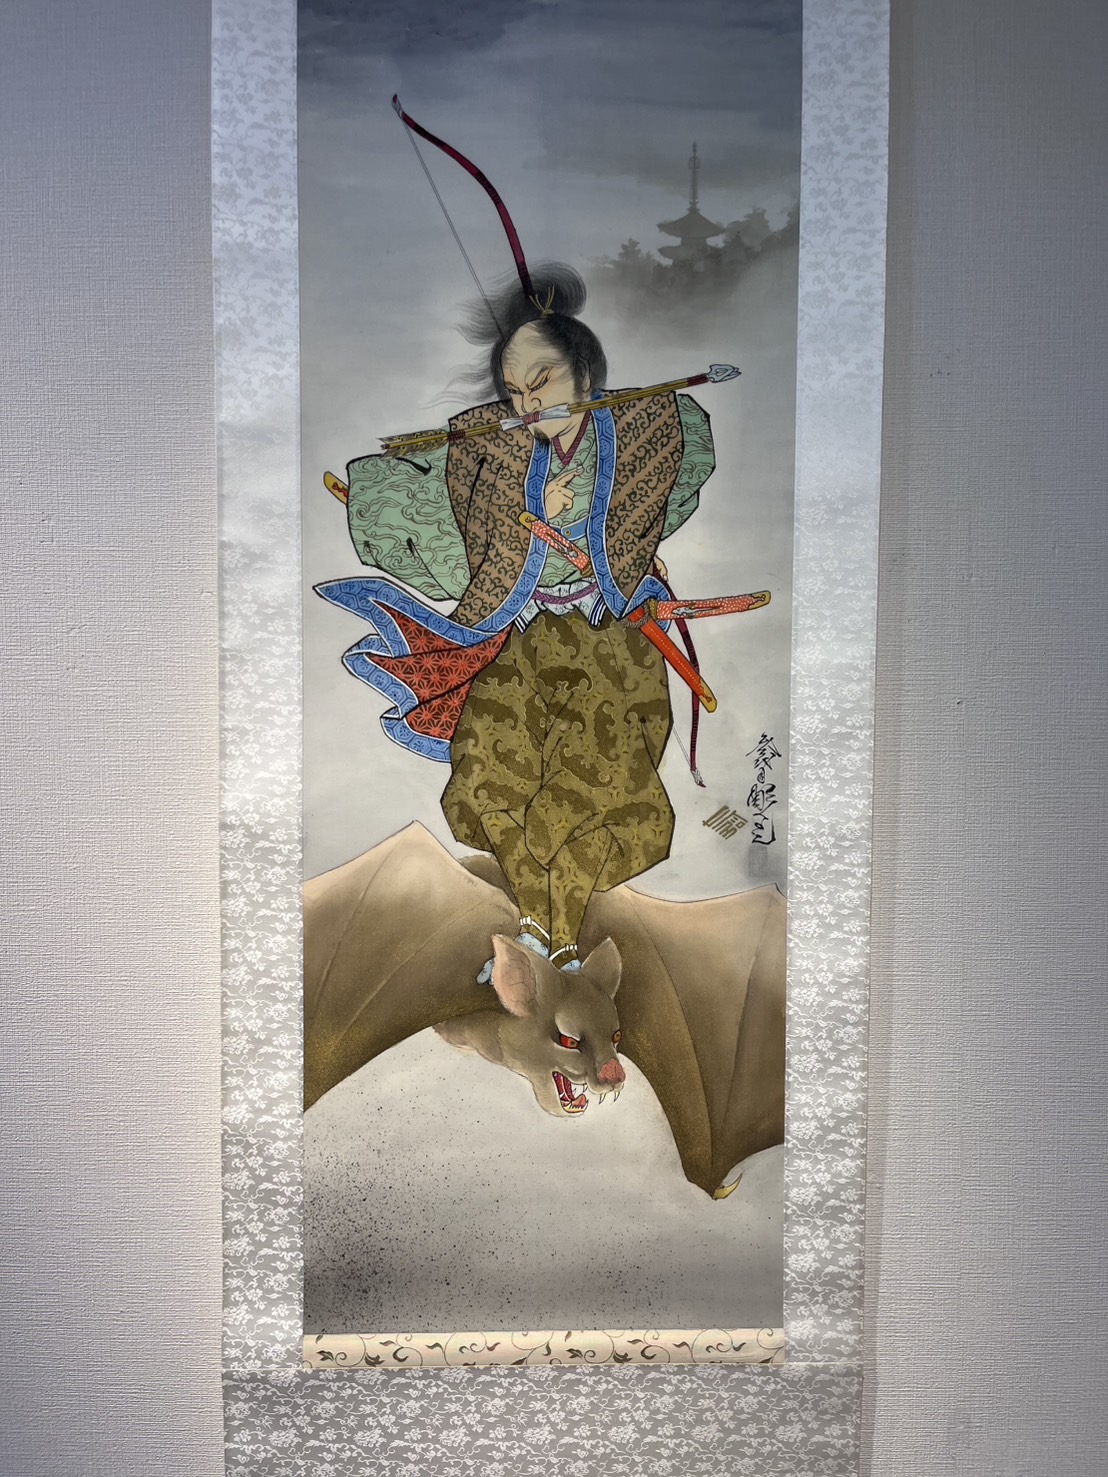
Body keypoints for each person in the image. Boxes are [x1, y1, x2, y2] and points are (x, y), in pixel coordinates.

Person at [319, 265, 716, 974]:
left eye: (544, 382)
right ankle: (543, 930)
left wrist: (589, 512)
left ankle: (552, 933)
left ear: (586, 373)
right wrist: (535, 513)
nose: (528, 404)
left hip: (610, 641)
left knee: (592, 788)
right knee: (490, 779)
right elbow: (473, 536)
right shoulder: (493, 450)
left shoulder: (644, 428)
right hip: (522, 638)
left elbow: (663, 495)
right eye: (514, 391)